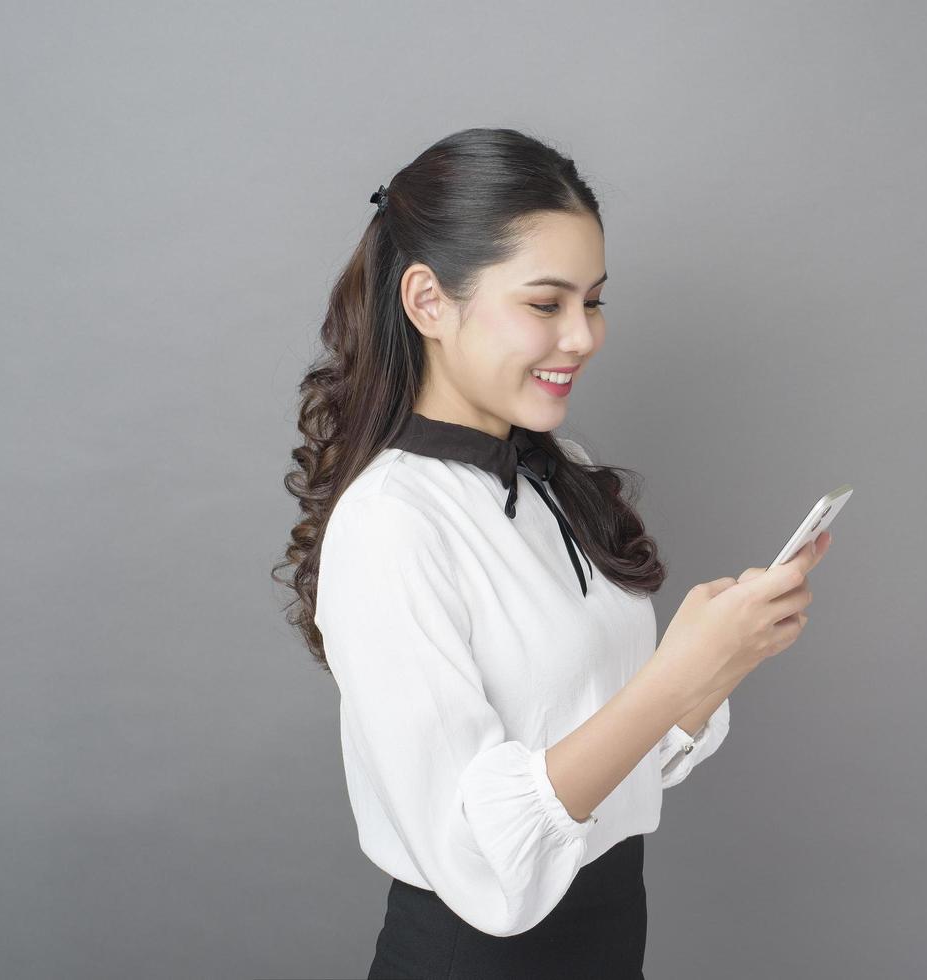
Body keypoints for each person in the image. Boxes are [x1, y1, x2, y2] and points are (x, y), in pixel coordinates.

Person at [272, 127, 831, 978]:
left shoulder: (555, 471)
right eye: (546, 304)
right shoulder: (393, 520)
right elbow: (478, 854)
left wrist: (719, 661)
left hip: (605, 945)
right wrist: (675, 677)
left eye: (594, 300)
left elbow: (596, 753)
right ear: (428, 301)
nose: (584, 336)